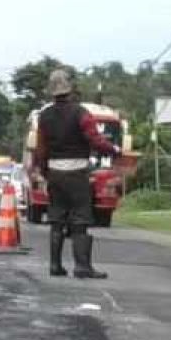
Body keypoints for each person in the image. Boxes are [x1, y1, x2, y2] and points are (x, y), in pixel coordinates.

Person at [33, 70, 121, 278]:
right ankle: (82, 266)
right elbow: (95, 140)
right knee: (80, 219)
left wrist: (46, 172)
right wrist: (114, 150)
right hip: (77, 173)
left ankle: (55, 265)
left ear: (52, 93)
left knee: (57, 219)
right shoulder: (81, 113)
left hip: (55, 173)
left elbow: (40, 149)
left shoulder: (44, 116)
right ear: (70, 91)